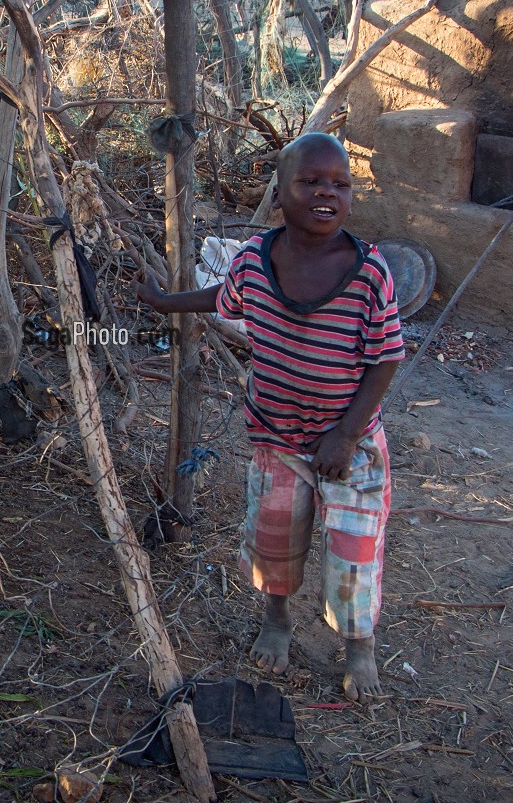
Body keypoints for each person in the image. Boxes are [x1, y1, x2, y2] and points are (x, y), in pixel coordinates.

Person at [136, 133, 403, 701]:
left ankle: (359, 648)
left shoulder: (369, 272)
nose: (326, 192)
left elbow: (386, 360)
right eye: (311, 182)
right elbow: (221, 299)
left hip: (349, 449)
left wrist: (347, 433)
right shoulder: (256, 261)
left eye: (340, 183)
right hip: (276, 438)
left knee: (354, 553)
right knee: (273, 540)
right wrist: (164, 302)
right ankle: (276, 619)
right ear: (279, 193)